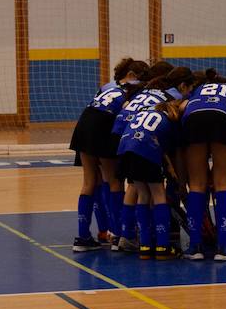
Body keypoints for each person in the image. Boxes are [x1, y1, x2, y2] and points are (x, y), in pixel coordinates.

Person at [69, 60, 149, 252]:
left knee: (89, 182)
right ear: (132, 75)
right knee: (114, 180)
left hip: (84, 122)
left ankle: (82, 237)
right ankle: (117, 234)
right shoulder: (132, 91)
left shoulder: (107, 88)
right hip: (104, 125)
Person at [181, 69, 226, 261]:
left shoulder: (196, 90)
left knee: (197, 184)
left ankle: (194, 246)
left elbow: (182, 107)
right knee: (223, 184)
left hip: (194, 115)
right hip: (222, 116)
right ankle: (224, 246)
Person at [117, 100, 186, 260]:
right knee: (158, 194)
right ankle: (163, 246)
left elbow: (160, 148)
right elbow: (169, 151)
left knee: (143, 195)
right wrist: (175, 175)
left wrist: (169, 168)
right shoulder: (170, 121)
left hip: (127, 150)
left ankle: (145, 246)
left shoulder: (148, 113)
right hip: (146, 148)